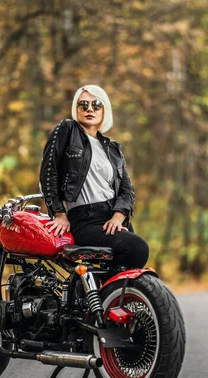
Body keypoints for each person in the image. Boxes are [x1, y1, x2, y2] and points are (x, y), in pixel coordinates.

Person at [39, 85, 149, 269]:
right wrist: (59, 213)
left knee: (128, 269)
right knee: (138, 248)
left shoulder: (113, 148)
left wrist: (117, 217)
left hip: (113, 221)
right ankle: (101, 295)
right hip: (85, 220)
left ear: (104, 109)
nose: (90, 109)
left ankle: (100, 296)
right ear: (76, 109)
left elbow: (127, 190)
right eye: (83, 105)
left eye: (96, 104)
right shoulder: (67, 130)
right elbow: (48, 171)